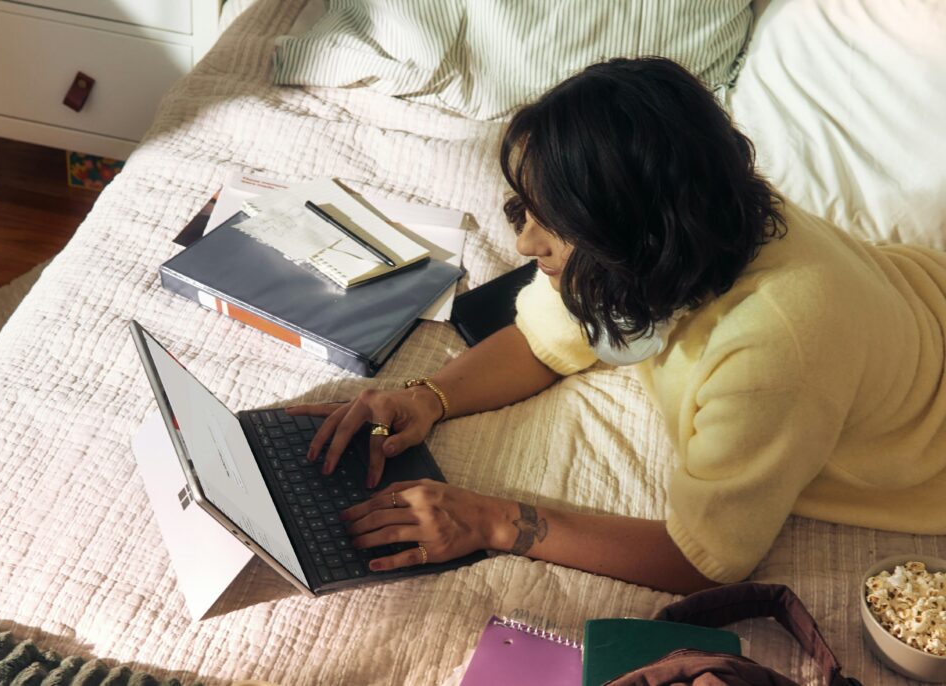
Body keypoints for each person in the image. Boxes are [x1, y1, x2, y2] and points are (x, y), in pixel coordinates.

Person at [288, 57, 946, 594]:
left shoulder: (771, 350)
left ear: (641, 242)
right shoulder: (676, 227)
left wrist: (490, 521)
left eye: (553, 225)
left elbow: (702, 560)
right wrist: (426, 397)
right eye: (526, 210)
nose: (523, 245)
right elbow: (547, 344)